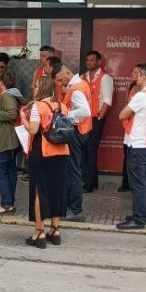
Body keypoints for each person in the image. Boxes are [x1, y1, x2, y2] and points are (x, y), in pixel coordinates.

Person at [20, 76, 69, 248]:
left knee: (39, 191)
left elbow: (33, 130)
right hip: (61, 152)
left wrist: (23, 119)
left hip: (42, 152)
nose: (33, 89)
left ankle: (39, 232)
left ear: (41, 89)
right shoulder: (62, 105)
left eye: (35, 86)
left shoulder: (37, 106)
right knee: (57, 190)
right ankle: (55, 230)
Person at [116, 63, 146, 230]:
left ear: (144, 77)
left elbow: (122, 114)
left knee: (138, 183)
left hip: (138, 144)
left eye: (140, 75)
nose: (137, 77)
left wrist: (130, 112)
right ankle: (144, 214)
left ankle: (139, 219)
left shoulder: (141, 96)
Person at [0, 70, 24, 214]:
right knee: (9, 170)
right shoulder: (12, 93)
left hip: (4, 139)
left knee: (1, 171)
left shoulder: (6, 95)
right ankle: (9, 202)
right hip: (9, 139)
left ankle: (7, 204)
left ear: (1, 80)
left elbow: (12, 114)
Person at [61, 65, 92, 223]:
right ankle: (71, 207)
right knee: (73, 169)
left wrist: (66, 115)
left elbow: (85, 111)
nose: (61, 83)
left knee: (73, 171)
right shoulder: (81, 84)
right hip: (82, 131)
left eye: (61, 79)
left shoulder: (76, 89)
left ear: (67, 73)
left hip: (76, 131)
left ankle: (75, 210)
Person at [81, 50, 114, 193]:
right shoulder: (82, 77)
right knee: (84, 150)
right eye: (87, 60)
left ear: (99, 62)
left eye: (92, 60)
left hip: (96, 119)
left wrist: (99, 117)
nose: (89, 63)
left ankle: (89, 183)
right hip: (84, 119)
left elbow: (107, 101)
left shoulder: (105, 77)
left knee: (91, 150)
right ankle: (91, 181)